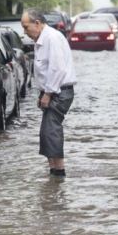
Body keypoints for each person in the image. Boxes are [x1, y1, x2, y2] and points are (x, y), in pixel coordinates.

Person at [21, 9, 77, 178]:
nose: (24, 32)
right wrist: (43, 93)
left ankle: (59, 174)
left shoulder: (51, 38)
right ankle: (54, 173)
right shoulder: (42, 38)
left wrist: (48, 94)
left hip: (59, 92)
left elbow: (57, 69)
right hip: (52, 91)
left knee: (51, 131)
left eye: (26, 27)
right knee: (46, 132)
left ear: (37, 23)